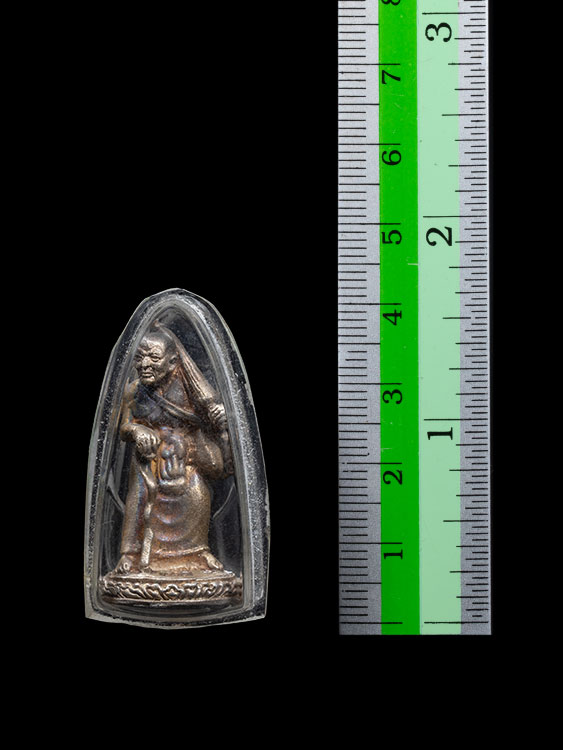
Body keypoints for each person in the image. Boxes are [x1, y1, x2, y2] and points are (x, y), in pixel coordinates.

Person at [112, 322, 232, 577]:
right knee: (140, 495)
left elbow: (210, 421)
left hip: (186, 458)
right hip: (149, 459)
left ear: (172, 362)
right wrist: (137, 430)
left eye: (154, 357)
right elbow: (123, 428)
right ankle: (130, 555)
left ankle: (198, 552)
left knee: (197, 493)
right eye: (139, 357)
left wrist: (221, 417)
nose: (145, 364)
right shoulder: (134, 391)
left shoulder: (190, 390)